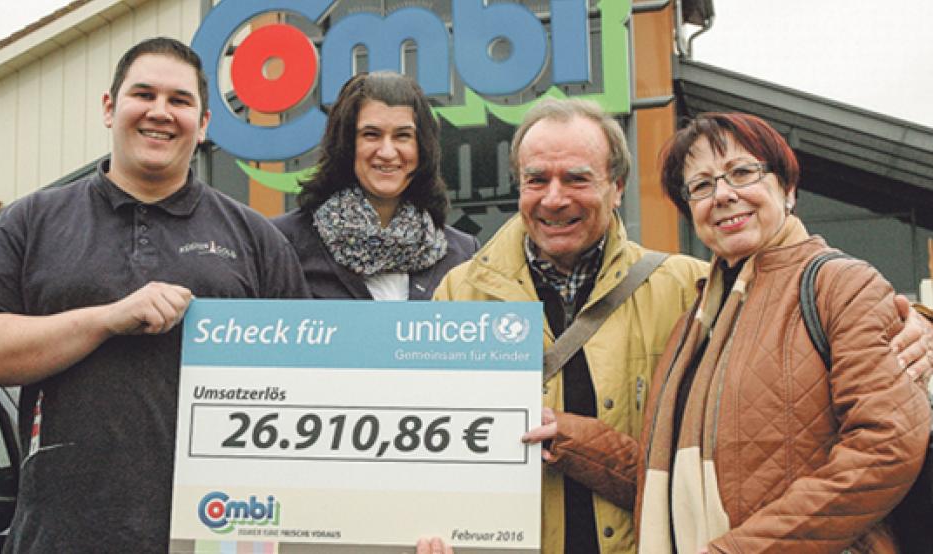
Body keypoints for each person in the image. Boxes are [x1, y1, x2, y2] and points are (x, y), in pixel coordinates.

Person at [434, 99, 933, 554]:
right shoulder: (704, 307)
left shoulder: (680, 288)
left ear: (616, 188)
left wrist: (921, 324)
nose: (555, 198)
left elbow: (886, 441)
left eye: (742, 173)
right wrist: (566, 436)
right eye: (537, 179)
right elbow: (665, 470)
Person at [0, 38, 309, 552]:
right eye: (144, 94)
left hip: (216, 533)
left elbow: (307, 389)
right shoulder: (32, 222)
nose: (160, 112)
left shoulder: (255, 239)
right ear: (109, 107)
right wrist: (105, 319)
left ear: (204, 123)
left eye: (180, 101)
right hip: (61, 537)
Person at [273, 71, 478, 300]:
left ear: (422, 147)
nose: (387, 152)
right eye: (371, 135)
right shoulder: (282, 243)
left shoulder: (462, 254)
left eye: (402, 136)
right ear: (346, 143)